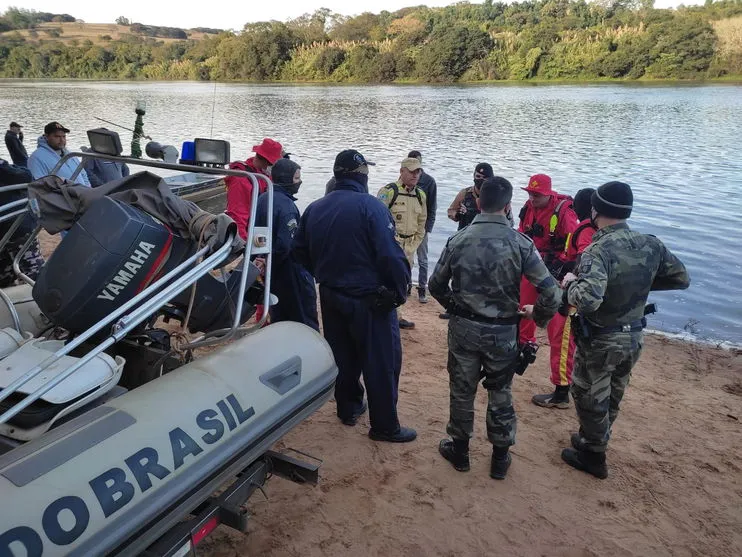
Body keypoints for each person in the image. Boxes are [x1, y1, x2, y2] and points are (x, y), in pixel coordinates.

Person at [430, 176, 560, 479]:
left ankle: (460, 451)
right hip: (503, 331)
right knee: (500, 390)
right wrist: (536, 315)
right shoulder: (521, 243)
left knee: (462, 390)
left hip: (464, 328)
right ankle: (500, 458)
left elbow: (436, 285)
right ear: (508, 205)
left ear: (478, 203)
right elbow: (552, 293)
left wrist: (455, 307)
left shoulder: (458, 240)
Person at [560, 181, 690, 479]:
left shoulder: (598, 249)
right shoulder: (651, 244)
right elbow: (681, 278)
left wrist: (569, 284)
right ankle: (592, 440)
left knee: (588, 394)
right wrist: (639, 283)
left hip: (602, 338)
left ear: (595, 210)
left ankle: (594, 456)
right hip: (634, 336)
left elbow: (589, 300)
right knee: (614, 393)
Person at [292, 149, 416, 443]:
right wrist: (399, 292)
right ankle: (385, 425)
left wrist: (323, 274)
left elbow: (299, 252)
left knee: (343, 356)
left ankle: (348, 408)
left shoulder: (315, 208)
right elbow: (390, 255)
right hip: (368, 299)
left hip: (332, 295)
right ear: (361, 174)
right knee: (382, 361)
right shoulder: (371, 207)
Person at [517, 174, 579, 409]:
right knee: (523, 309)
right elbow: (522, 232)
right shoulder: (528, 207)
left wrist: (565, 269)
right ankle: (524, 348)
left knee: (559, 330)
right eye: (530, 193)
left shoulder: (564, 212)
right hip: (532, 265)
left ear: (549, 194)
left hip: (557, 273)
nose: (532, 198)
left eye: (537, 195)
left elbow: (576, 247)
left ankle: (561, 389)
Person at [254, 158, 319, 330]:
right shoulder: (287, 206)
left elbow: (256, 234)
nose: (299, 182)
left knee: (279, 317)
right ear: (286, 178)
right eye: (297, 178)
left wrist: (262, 260)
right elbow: (286, 245)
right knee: (304, 319)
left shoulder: (262, 198)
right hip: (290, 272)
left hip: (270, 271)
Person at [377, 157, 427, 330]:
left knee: (403, 281)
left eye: (418, 171)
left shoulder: (420, 195)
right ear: (402, 171)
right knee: (385, 280)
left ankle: (398, 316)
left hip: (409, 246)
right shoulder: (389, 192)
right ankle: (385, 314)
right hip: (391, 245)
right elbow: (377, 221)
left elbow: (422, 223)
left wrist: (414, 245)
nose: (415, 175)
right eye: (412, 171)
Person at [225, 137, 283, 241]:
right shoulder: (241, 180)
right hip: (246, 233)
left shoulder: (263, 175)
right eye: (273, 164)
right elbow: (237, 216)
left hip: (259, 230)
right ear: (267, 161)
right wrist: (243, 244)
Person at [0, 159, 45, 287]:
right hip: (16, 226)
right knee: (34, 273)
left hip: (12, 226)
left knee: (5, 279)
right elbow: (25, 176)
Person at [407, 150, 437, 304]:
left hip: (422, 227)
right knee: (406, 258)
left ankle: (422, 290)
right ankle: (406, 286)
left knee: (423, 260)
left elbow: (432, 207)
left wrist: (427, 228)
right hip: (406, 227)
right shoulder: (404, 179)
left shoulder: (429, 182)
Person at [28, 122, 91, 186]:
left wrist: (88, 190)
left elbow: (83, 174)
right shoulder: (36, 158)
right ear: (46, 137)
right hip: (64, 195)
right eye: (57, 136)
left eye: (64, 136)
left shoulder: (70, 154)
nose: (62, 140)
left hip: (82, 193)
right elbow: (39, 186)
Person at [447, 163, 493, 230]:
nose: (481, 180)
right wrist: (457, 215)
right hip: (465, 233)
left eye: (484, 178)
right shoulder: (465, 193)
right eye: (478, 176)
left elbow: (507, 218)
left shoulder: (496, 195)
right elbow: (451, 211)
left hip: (488, 233)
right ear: (474, 176)